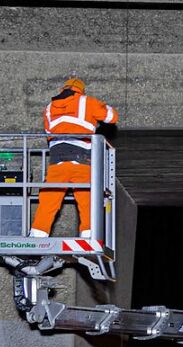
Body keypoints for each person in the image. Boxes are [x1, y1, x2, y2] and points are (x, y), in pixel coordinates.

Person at [29, 77, 119, 238]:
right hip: (82, 160)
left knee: (49, 200)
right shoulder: (87, 101)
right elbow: (112, 117)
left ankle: (37, 237)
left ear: (63, 89)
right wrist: (104, 106)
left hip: (57, 161)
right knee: (87, 201)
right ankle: (88, 238)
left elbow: (49, 133)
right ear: (81, 90)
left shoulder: (49, 108)